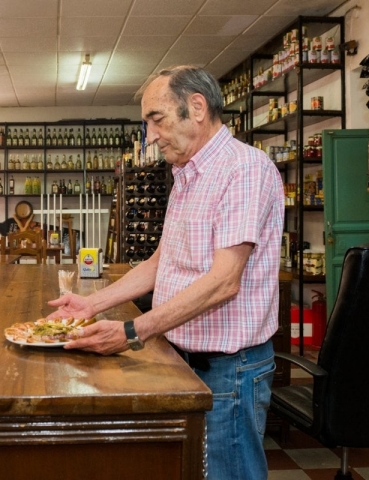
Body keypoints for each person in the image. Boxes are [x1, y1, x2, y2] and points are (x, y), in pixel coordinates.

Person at [47, 65, 284, 480]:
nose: (151, 136)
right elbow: (162, 261)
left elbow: (224, 280)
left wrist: (134, 331)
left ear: (196, 107)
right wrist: (91, 303)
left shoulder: (244, 170)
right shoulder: (186, 176)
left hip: (228, 370)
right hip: (184, 359)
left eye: (156, 120)